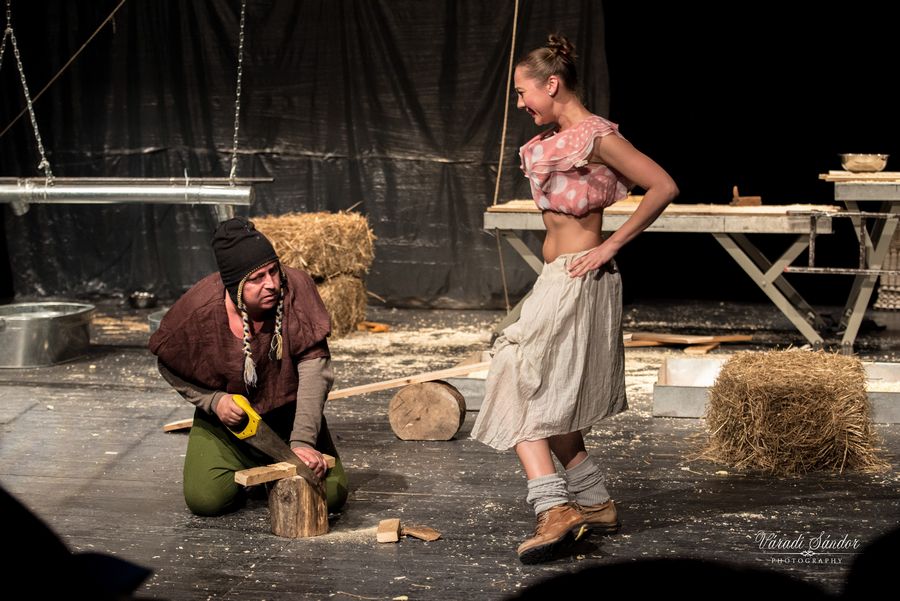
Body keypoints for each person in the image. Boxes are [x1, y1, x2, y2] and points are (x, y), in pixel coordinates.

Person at [471, 34, 678, 564]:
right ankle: (594, 501)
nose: (521, 104)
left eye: (523, 93)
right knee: (551, 394)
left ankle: (552, 507)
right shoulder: (551, 142)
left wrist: (609, 245)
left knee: (515, 373)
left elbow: (662, 186)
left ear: (552, 84)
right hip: (556, 276)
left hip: (579, 276)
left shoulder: (595, 136)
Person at [149, 217, 348, 516]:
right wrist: (213, 401)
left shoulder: (295, 288)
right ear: (235, 286)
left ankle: (276, 467)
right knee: (206, 500)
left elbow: (315, 369)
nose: (271, 284)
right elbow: (168, 363)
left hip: (288, 416)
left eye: (273, 271)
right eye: (256, 278)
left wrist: (303, 442)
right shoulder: (198, 310)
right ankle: (254, 468)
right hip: (230, 422)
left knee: (331, 495)